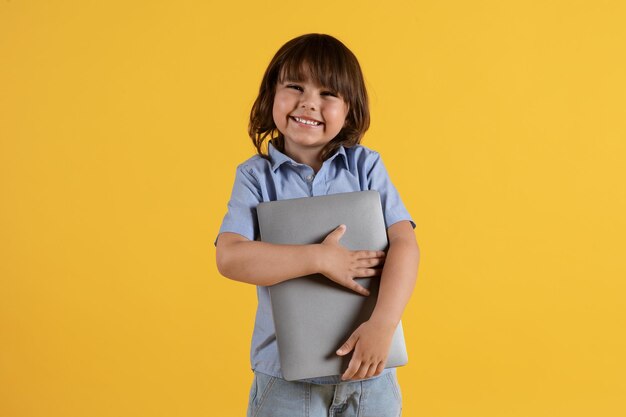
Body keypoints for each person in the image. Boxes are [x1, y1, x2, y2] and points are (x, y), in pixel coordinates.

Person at [215, 33, 420, 417]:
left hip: (371, 372)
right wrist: (320, 259)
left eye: (328, 94)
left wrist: (383, 326)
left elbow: (405, 246)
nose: (309, 102)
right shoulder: (255, 177)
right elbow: (230, 258)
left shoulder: (366, 166)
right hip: (285, 380)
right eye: (295, 86)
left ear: (349, 110)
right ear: (271, 95)